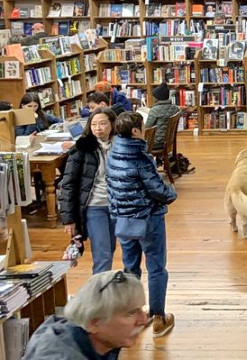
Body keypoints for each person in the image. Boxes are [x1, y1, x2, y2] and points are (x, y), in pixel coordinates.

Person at [106, 112, 177, 338]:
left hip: (124, 219)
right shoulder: (140, 157)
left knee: (130, 268)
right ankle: (158, 317)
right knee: (156, 267)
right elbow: (156, 189)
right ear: (136, 131)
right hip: (147, 218)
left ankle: (132, 315)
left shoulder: (113, 152)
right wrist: (170, 194)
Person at [22, 270, 148, 360]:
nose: (143, 320)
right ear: (93, 323)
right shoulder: (58, 355)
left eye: (141, 309)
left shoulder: (100, 342)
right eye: (131, 313)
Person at [58, 108, 119, 275]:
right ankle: (98, 296)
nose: (98, 127)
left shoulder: (120, 146)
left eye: (103, 123)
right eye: (93, 124)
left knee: (110, 248)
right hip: (94, 207)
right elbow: (68, 184)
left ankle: (103, 289)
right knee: (103, 254)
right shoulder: (81, 149)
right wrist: (68, 219)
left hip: (116, 206)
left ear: (112, 125)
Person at [144, 83, 180, 153]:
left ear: (157, 98)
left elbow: (147, 128)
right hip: (169, 140)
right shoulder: (175, 108)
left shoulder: (155, 110)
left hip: (156, 143)